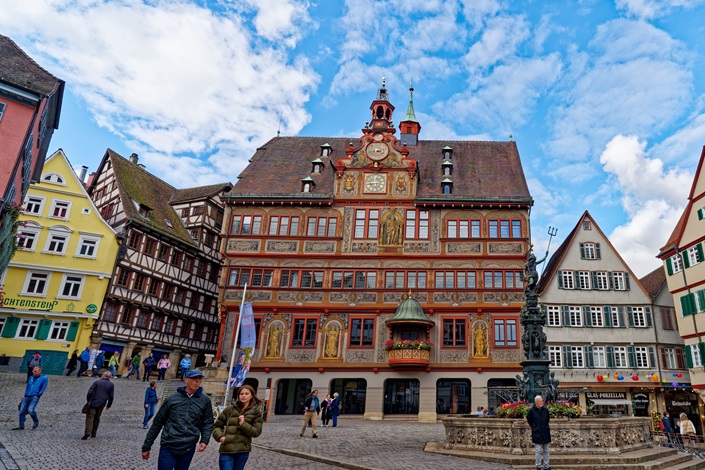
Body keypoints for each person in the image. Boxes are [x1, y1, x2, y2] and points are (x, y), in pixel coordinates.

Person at [142, 369, 213, 469]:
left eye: (199, 379)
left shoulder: (205, 401)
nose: (197, 381)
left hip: (188, 447)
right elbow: (157, 423)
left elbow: (208, 422)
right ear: (186, 380)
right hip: (169, 445)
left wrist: (204, 440)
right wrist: (146, 446)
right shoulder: (172, 399)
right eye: (194, 379)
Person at [212, 385, 264, 470]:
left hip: (242, 451)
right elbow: (216, 426)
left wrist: (243, 424)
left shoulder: (256, 412)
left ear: (251, 395)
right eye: (241, 394)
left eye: (246, 394)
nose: (243, 396)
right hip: (226, 450)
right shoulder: (229, 409)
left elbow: (256, 432)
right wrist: (220, 437)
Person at [82, 371, 114, 440]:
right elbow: (111, 396)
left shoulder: (97, 382)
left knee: (90, 417)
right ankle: (93, 433)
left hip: (93, 402)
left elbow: (90, 392)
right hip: (102, 403)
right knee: (97, 418)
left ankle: (87, 432)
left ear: (103, 376)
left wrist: (88, 400)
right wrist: (109, 405)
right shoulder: (111, 385)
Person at [526, 395, 551, 470]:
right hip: (537, 433)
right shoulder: (532, 411)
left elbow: (547, 419)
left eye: (542, 401)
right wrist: (534, 427)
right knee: (538, 450)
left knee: (546, 450)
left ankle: (546, 466)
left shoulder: (545, 410)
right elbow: (529, 420)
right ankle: (538, 466)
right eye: (540, 401)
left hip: (545, 432)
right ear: (536, 402)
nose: (541, 402)